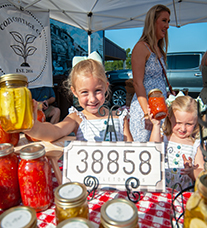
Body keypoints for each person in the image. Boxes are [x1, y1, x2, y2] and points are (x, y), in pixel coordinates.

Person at [24, 58, 133, 142]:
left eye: (98, 90)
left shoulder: (119, 117)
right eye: (85, 92)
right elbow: (55, 131)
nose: (92, 99)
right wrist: (32, 127)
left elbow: (131, 149)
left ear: (106, 87)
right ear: (75, 92)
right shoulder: (77, 118)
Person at [129, 4, 171, 142]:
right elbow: (137, 83)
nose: (168, 26)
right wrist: (147, 114)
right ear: (153, 22)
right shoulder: (141, 47)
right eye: (164, 20)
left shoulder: (158, 48)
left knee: (158, 151)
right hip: (146, 110)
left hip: (159, 108)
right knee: (143, 152)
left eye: (168, 21)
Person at [149, 95, 204, 190]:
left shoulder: (196, 144)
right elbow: (152, 150)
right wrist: (156, 125)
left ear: (196, 122)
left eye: (189, 124)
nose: (183, 128)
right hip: (162, 191)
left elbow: (201, 171)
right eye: (178, 123)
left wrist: (192, 171)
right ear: (169, 117)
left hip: (184, 194)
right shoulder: (164, 137)